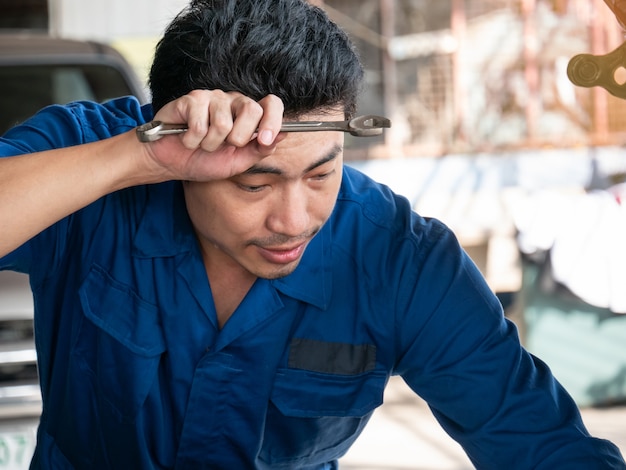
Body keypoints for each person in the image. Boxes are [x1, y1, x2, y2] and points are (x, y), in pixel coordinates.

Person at [0, 0, 624, 468]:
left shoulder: (398, 259)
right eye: (253, 184)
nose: (294, 220)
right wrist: (137, 161)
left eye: (322, 172)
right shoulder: (95, 157)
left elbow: (539, 442)